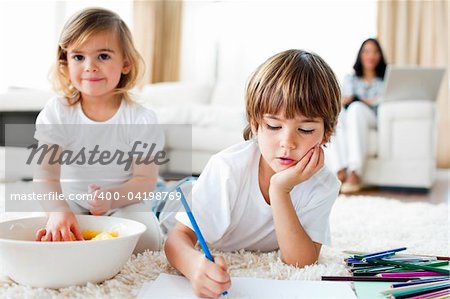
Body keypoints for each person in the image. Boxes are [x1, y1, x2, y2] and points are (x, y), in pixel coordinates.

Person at [164, 49, 342, 298]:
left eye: (305, 129)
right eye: (273, 126)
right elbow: (177, 238)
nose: (287, 142)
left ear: (327, 132)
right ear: (255, 124)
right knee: (155, 202)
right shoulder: (227, 168)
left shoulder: (323, 184)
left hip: (208, 191)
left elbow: (302, 261)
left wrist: (280, 190)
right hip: (175, 201)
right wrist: (194, 267)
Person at [32, 8, 164, 253]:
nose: (90, 67)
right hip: (71, 199)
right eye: (79, 57)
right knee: (41, 230)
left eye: (103, 56)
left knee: (148, 242)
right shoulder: (58, 112)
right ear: (65, 63)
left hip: (122, 202)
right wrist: (59, 211)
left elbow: (145, 180)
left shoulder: (142, 119)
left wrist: (111, 197)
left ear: (125, 63)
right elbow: (45, 174)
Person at [327, 38, 387, 193]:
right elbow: (343, 100)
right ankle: (340, 170)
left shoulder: (385, 79)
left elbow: (384, 102)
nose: (371, 56)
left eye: (375, 52)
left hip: (372, 117)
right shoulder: (350, 78)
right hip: (352, 114)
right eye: (367, 51)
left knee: (356, 108)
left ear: (380, 56)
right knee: (338, 115)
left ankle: (355, 171)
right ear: (361, 55)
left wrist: (364, 102)